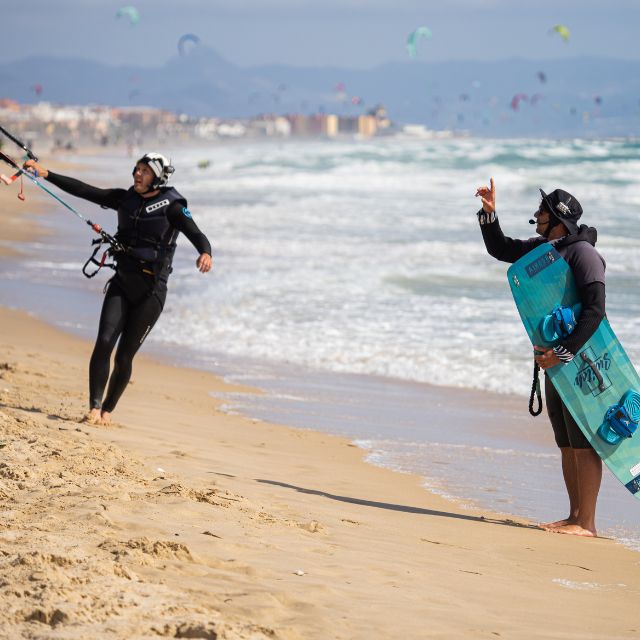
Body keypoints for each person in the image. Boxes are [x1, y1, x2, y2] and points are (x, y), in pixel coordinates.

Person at [24, 153, 212, 426]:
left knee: (124, 357)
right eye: (136, 169)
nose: (137, 174)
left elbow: (196, 233)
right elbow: (86, 190)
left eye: (145, 171)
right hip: (122, 283)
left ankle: (108, 411)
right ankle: (94, 407)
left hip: (151, 293)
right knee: (103, 342)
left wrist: (205, 253)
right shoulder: (126, 199)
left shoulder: (173, 206)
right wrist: (46, 174)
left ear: (158, 176)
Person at [475, 178, 606, 537]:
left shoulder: (584, 255)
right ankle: (574, 515)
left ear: (557, 219)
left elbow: (594, 312)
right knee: (565, 440)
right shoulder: (545, 251)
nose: (535, 215)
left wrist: (563, 353)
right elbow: (502, 249)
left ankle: (588, 523)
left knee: (583, 441)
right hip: (553, 358)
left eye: (541, 211)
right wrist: (489, 215)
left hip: (581, 359)